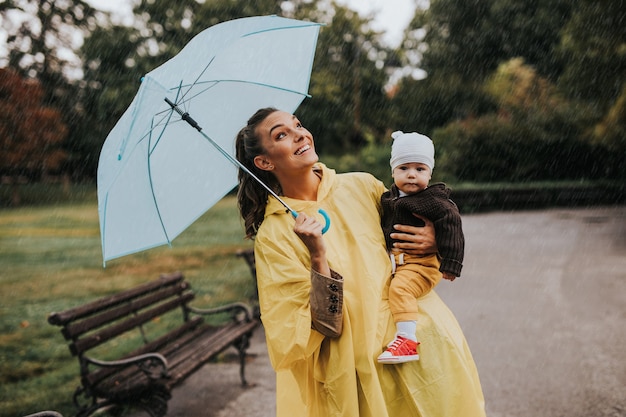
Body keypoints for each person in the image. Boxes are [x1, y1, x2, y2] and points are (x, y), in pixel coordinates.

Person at [235, 108, 485, 417]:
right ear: (264, 162)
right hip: (355, 373)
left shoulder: (362, 186)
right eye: (281, 134)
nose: (300, 133)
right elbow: (317, 325)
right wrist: (317, 254)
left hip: (420, 346)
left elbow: (425, 217)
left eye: (298, 124)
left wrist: (433, 238)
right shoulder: (274, 235)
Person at [377, 130, 465, 364]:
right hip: (398, 263)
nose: (412, 175)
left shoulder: (435, 202)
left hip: (423, 265)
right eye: (404, 168)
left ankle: (406, 341)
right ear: (393, 171)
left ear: (430, 172)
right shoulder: (388, 198)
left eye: (420, 169)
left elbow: (452, 226)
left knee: (400, 290)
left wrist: (451, 263)